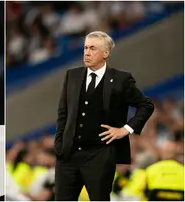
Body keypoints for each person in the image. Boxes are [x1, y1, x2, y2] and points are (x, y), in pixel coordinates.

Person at [54, 31, 154, 201]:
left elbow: (146, 105)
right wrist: (59, 145)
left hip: (99, 156)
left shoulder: (121, 79)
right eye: (85, 47)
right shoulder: (72, 75)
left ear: (106, 53)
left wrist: (125, 129)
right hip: (68, 156)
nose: (86, 52)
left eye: (92, 48)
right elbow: (63, 113)